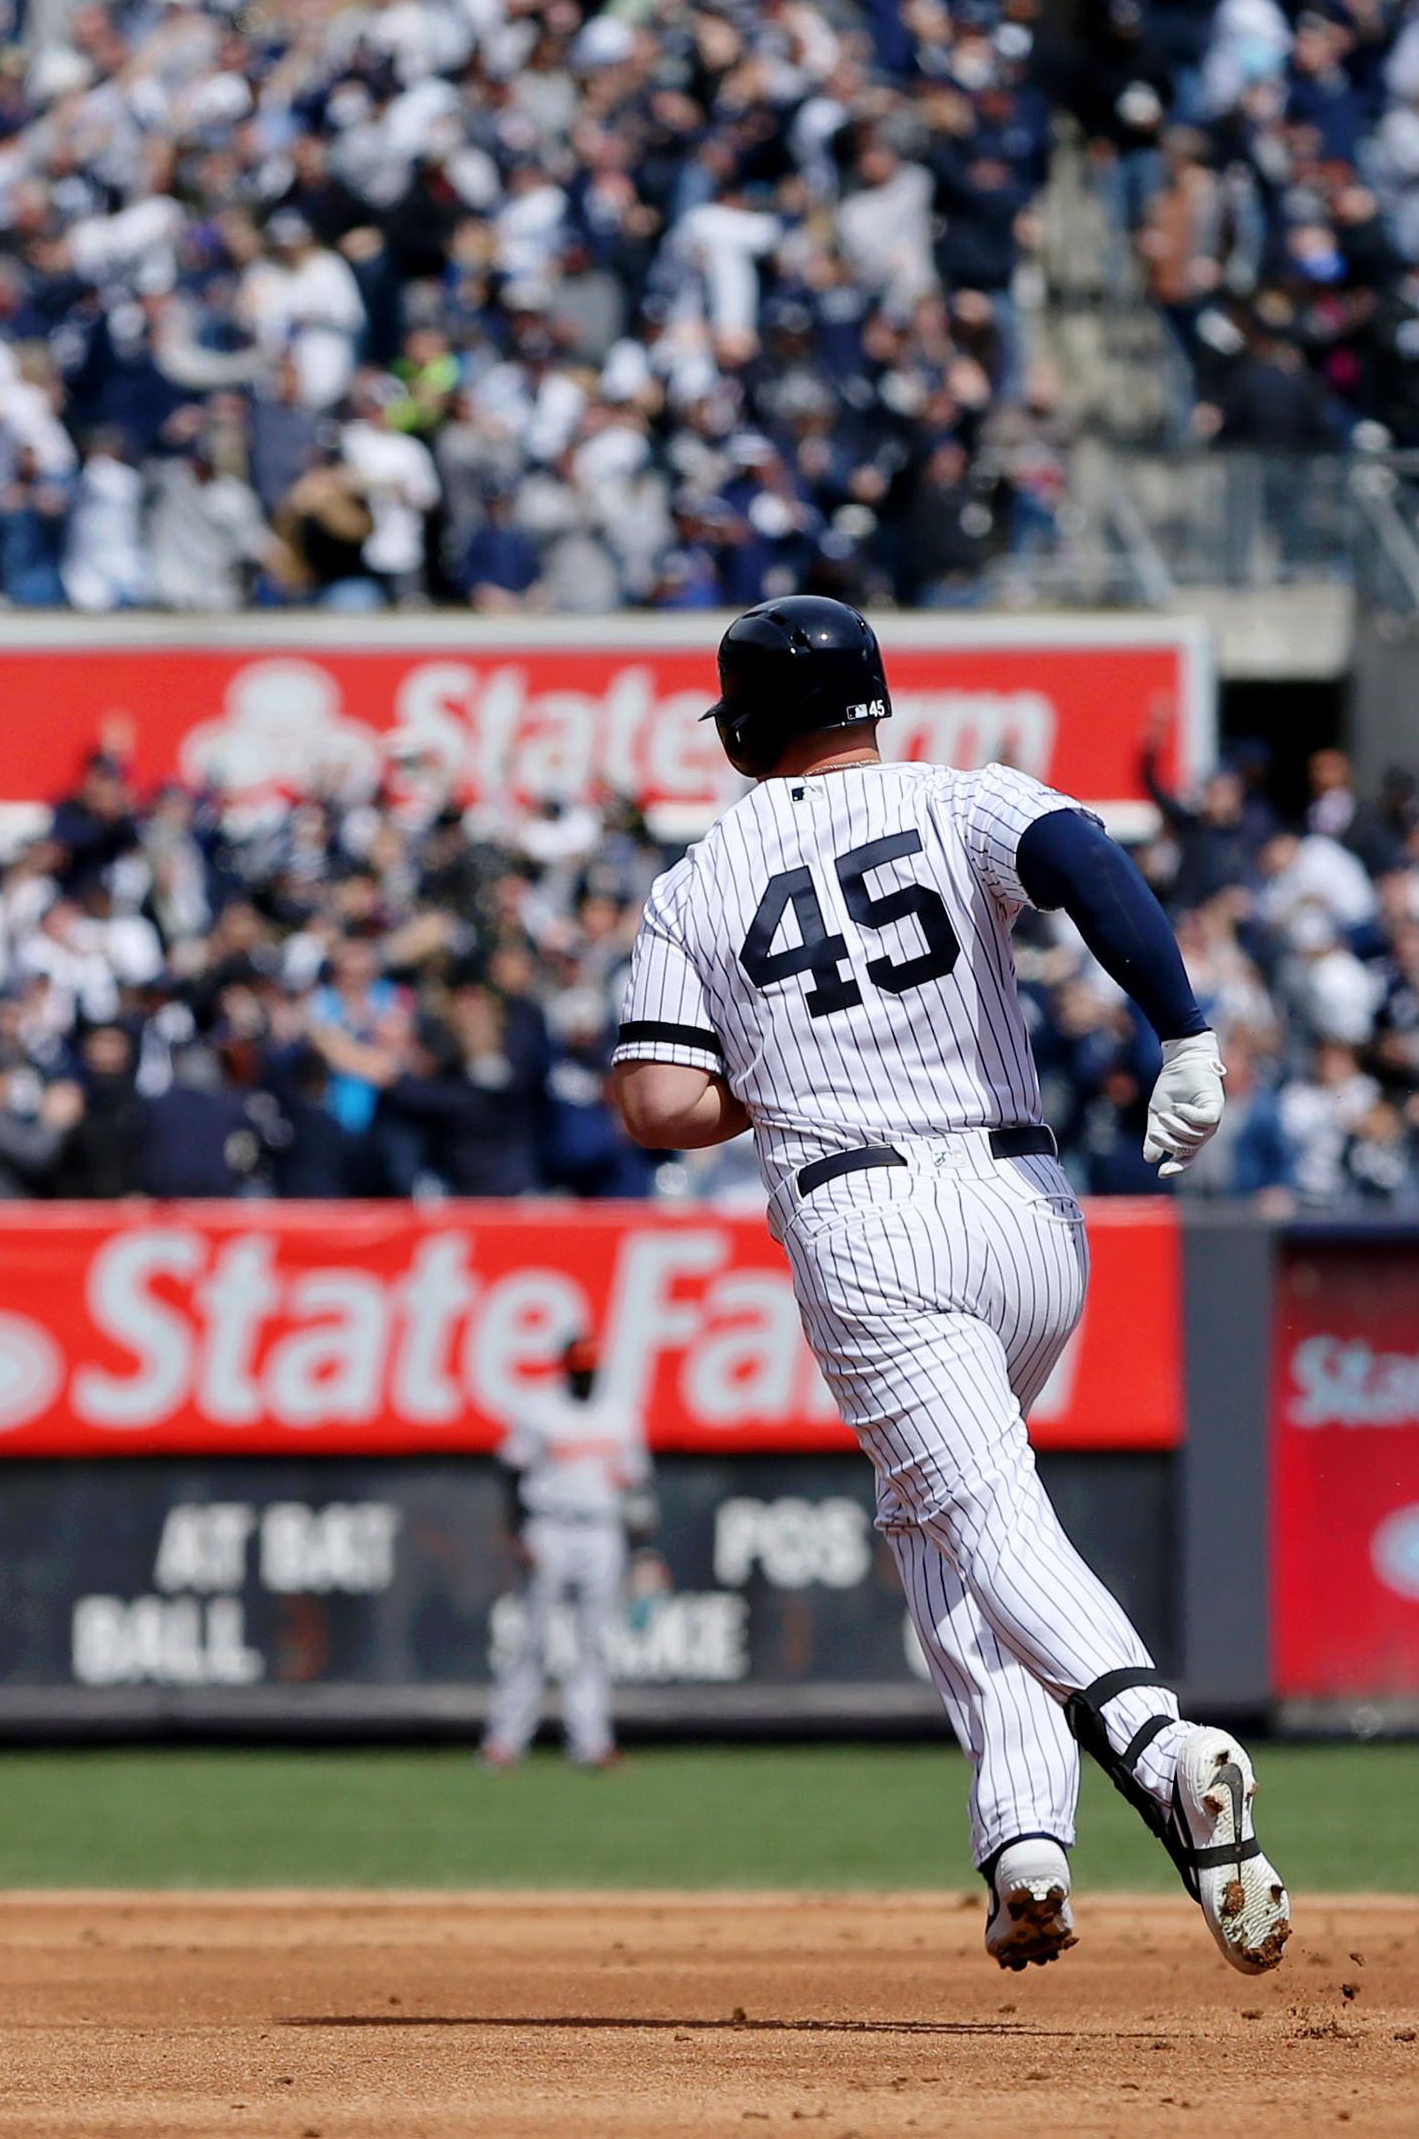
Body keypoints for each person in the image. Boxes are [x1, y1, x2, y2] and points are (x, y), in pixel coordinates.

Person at [608, 597, 1288, 1978]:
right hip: (1030, 1212)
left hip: (868, 1218)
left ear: (743, 725)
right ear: (872, 698)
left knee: (982, 1507)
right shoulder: (956, 795)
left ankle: (1162, 1740)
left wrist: (788, 1071)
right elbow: (1080, 853)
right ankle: (1024, 1838)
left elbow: (657, 1098)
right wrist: (1187, 1031)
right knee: (938, 1514)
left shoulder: (699, 879)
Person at [479, 1334, 653, 1773]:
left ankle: (591, 1743)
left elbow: (636, 1486)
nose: (584, 1377)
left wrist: (643, 1549)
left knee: (594, 1642)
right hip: (549, 1526)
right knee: (532, 1640)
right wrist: (517, 1534)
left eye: (590, 1369)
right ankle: (504, 1741)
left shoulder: (619, 1415)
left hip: (601, 1530)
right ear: (566, 1369)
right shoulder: (541, 1409)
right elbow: (511, 1472)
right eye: (579, 1369)